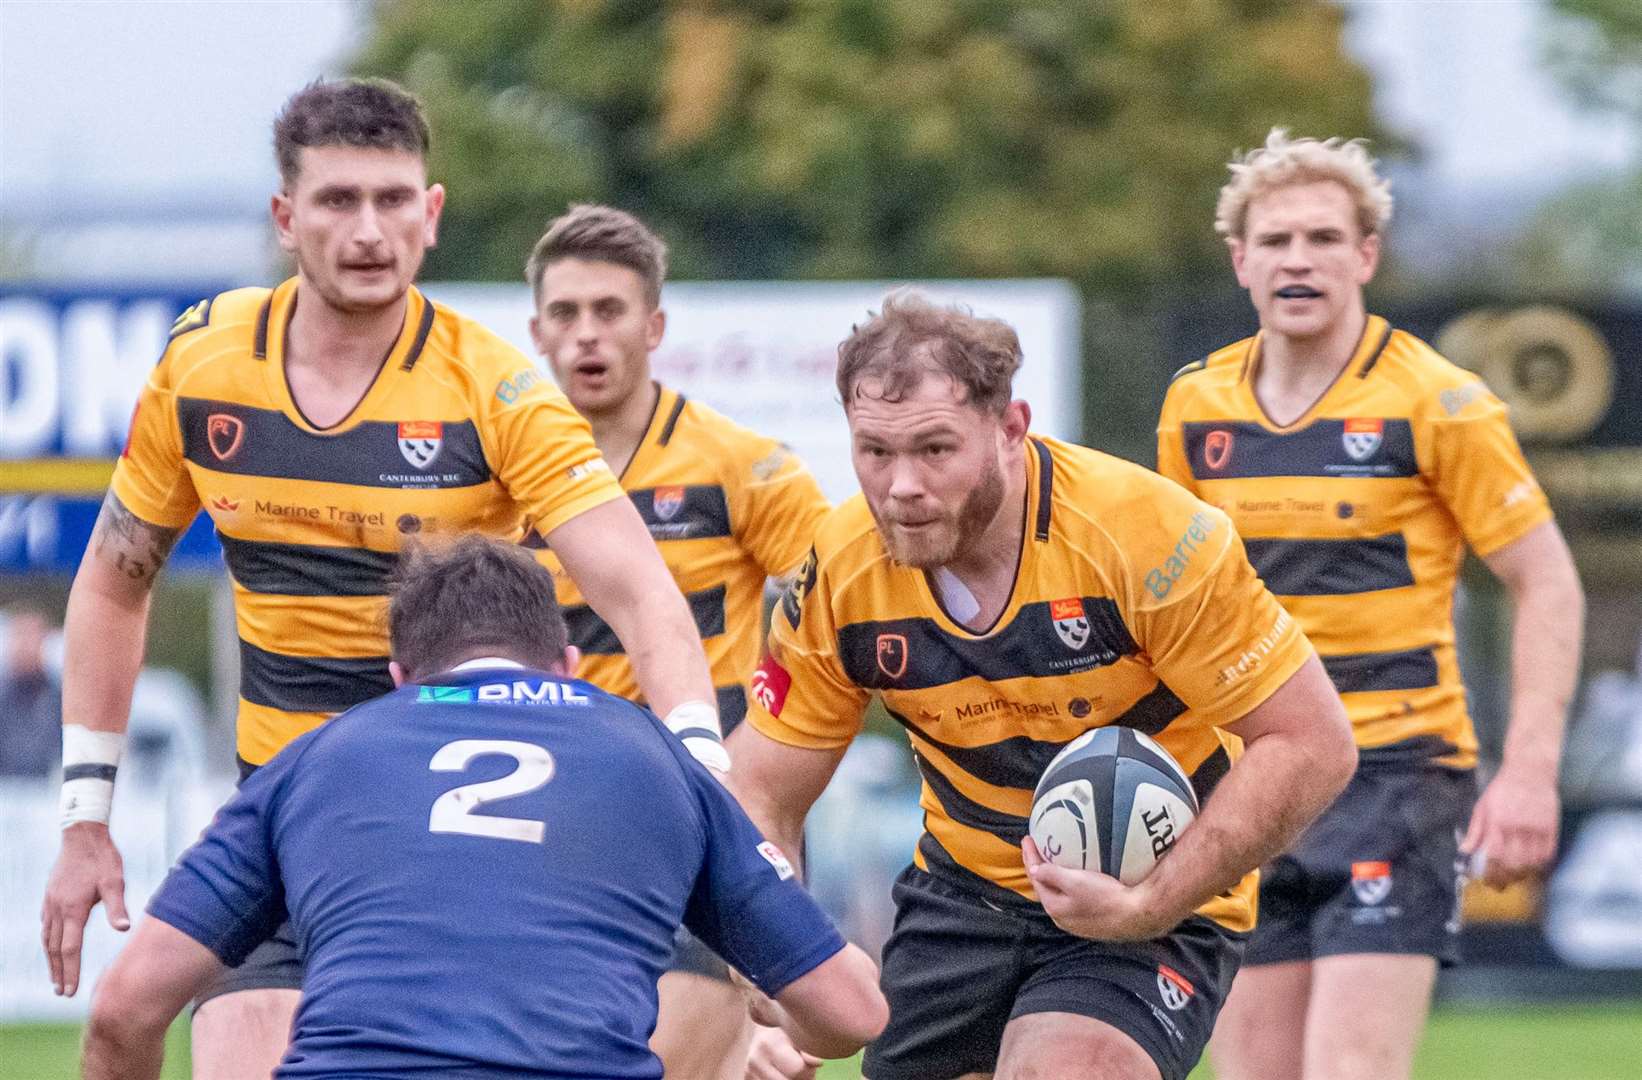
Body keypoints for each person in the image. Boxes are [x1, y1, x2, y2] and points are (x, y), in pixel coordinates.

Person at [41, 78, 724, 1080]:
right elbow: (113, 580)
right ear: (286, 218)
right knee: (121, 1018)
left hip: (460, 824)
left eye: (393, 199)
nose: (369, 230)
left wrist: (700, 771)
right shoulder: (205, 364)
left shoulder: (492, 389)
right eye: (337, 200)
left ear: (431, 214)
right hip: (286, 810)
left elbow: (642, 597)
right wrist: (84, 819)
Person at [725, 293, 1359, 1080]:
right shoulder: (842, 568)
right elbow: (763, 791)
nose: (901, 487)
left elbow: (1312, 741)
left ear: (1012, 427)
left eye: (934, 449)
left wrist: (1152, 902)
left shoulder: (1144, 536)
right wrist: (782, 967)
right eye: (875, 453)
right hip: (963, 895)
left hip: (1146, 896)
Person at [79, 535, 888, 1080]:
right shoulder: (655, 756)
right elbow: (852, 1010)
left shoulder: (311, 759)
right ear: (568, 667)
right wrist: (778, 1012)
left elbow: (123, 1011)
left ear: (400, 677)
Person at [1155, 129, 1586, 1080]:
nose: (1297, 260)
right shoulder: (1196, 405)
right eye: (1274, 241)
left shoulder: (1443, 404)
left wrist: (1529, 774)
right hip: (1250, 778)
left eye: (1320, 238)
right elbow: (1180, 605)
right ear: (1240, 261)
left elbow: (1546, 578)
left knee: (1352, 1069)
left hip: (1397, 774)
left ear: (1365, 255)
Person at [523, 203, 832, 1077]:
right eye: (567, 313)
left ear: (654, 326)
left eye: (610, 311)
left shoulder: (737, 465)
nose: (588, 334)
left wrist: (775, 762)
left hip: (692, 814)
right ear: (536, 330)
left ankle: (746, 1028)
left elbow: (848, 598)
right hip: (544, 817)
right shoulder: (504, 476)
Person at [0, 608, 61, 778]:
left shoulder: (59, 698)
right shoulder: (3, 694)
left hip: (46, 792)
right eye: (19, 636)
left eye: (31, 637)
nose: (24, 646)